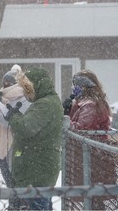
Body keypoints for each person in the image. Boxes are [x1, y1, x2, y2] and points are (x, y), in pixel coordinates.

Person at [4, 67, 63, 210]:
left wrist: (13, 116)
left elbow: (26, 128)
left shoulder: (46, 104)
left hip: (37, 172)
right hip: (36, 169)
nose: (25, 93)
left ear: (35, 86)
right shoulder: (47, 102)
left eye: (26, 89)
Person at [65, 69, 116, 210]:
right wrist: (68, 111)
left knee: (93, 196)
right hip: (90, 158)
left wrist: (65, 122)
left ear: (85, 87)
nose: (74, 88)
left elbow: (82, 128)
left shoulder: (90, 105)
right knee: (92, 196)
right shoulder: (84, 103)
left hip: (93, 158)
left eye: (77, 85)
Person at [0, 64, 31, 187]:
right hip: (3, 143)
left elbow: (14, 122)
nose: (4, 85)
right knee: (7, 176)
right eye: (3, 83)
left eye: (7, 83)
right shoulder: (4, 96)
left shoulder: (23, 98)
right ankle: (13, 203)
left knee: (14, 178)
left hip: (17, 144)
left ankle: (17, 203)